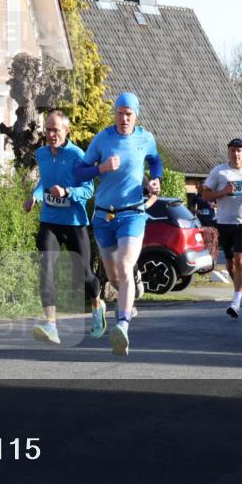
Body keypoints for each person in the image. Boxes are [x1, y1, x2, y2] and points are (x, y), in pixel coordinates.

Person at [75, 92, 162, 356]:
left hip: (132, 214)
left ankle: (122, 325)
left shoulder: (145, 138)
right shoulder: (102, 139)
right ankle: (124, 290)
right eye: (120, 113)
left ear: (136, 115)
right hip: (104, 217)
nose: (124, 118)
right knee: (114, 278)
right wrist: (100, 168)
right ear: (114, 114)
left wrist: (156, 179)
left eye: (129, 114)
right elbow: (78, 173)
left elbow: (155, 160)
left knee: (124, 266)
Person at [23, 110, 105, 345]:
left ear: (66, 131)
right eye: (48, 130)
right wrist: (35, 196)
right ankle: (51, 324)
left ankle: (97, 303)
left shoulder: (78, 156)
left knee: (85, 275)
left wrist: (67, 192)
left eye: (56, 130)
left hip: (74, 223)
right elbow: (44, 182)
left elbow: (88, 190)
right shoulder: (41, 154)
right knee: (46, 267)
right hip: (50, 221)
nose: (51, 135)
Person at [202, 138, 242, 319]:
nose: (236, 154)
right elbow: (205, 194)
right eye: (233, 150)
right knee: (230, 263)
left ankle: (235, 302)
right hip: (224, 221)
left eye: (239, 150)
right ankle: (240, 292)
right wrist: (223, 191)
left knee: (240, 259)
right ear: (228, 152)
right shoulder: (219, 171)